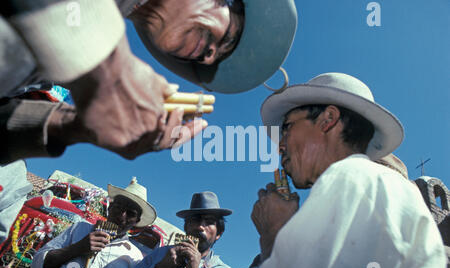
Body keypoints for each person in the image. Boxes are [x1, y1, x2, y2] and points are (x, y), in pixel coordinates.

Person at [1, 0, 297, 164]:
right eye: (229, 35)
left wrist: (73, 128)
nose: (208, 56)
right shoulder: (90, 51)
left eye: (214, 59)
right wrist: (109, 72)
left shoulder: (67, 62)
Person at [247, 72, 450, 268]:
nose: (281, 146)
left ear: (328, 120)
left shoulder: (351, 180)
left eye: (287, 128)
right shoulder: (366, 185)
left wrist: (274, 233)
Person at [31, 177, 155, 268]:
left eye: (130, 213)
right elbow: (37, 264)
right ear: (110, 207)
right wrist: (78, 248)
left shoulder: (134, 257)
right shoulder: (79, 228)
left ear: (136, 221)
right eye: (118, 207)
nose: (121, 216)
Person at [120, 191, 237, 268]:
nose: (201, 226)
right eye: (195, 220)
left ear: (218, 234)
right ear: (186, 227)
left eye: (209, 221)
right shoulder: (160, 254)